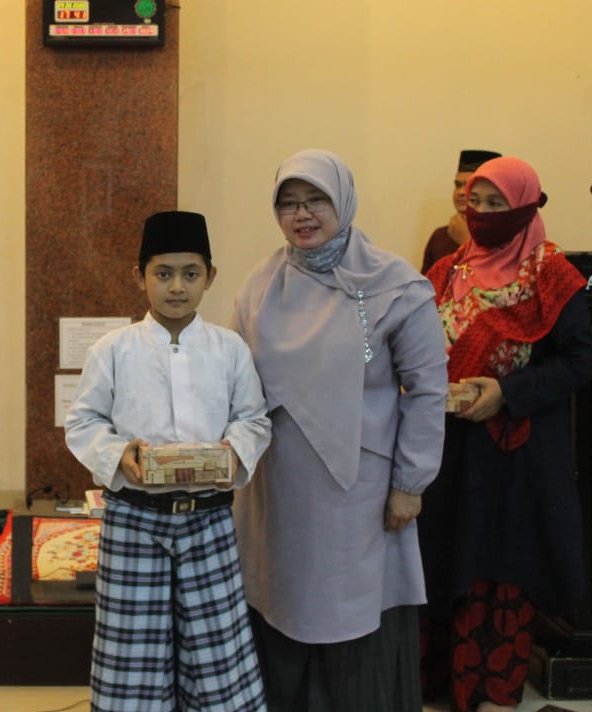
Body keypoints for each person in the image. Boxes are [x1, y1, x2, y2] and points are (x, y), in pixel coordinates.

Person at [232, 149, 448, 711]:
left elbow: (427, 390)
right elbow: (231, 377)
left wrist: (411, 484)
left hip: (361, 493)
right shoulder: (261, 284)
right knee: (285, 609)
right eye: (288, 204)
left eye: (315, 200)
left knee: (353, 621)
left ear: (343, 201)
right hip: (278, 489)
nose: (301, 215)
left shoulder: (395, 284)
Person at [65, 210, 271, 712]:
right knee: (130, 657)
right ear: (139, 277)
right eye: (163, 274)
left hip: (208, 522)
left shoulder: (230, 349)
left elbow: (254, 420)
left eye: (190, 273)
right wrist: (120, 454)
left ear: (210, 277)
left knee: (216, 652)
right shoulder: (113, 350)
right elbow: (83, 422)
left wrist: (232, 452)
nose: (177, 287)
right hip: (133, 519)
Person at [418, 156, 592, 712]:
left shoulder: (552, 274)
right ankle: (436, 686)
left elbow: (582, 361)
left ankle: (488, 692)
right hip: (448, 452)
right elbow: (404, 346)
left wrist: (507, 393)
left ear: (525, 206)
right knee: (443, 558)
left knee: (500, 568)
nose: (484, 214)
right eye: (477, 202)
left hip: (513, 457)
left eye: (498, 204)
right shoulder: (446, 271)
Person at [421, 149, 502, 274]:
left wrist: (467, 242)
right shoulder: (441, 235)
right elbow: (425, 289)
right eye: (458, 185)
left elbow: (499, 285)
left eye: (469, 185)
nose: (461, 192)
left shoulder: (506, 239)